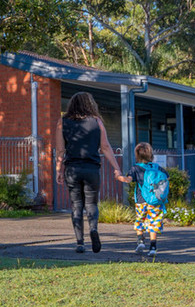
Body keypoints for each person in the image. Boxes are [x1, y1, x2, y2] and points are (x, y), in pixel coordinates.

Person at [54, 92, 125, 253]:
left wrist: (59, 170)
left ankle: (80, 242)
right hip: (92, 169)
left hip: (72, 169)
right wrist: (116, 168)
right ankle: (93, 229)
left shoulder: (62, 122)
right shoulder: (96, 121)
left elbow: (60, 150)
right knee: (92, 203)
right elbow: (105, 147)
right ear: (90, 104)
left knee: (76, 205)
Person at [118, 142, 168, 257]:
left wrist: (119, 177)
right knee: (154, 222)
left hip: (141, 200)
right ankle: (153, 247)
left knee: (140, 220)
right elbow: (167, 177)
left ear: (137, 155)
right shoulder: (157, 167)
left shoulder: (135, 168)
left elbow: (128, 180)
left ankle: (140, 241)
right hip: (156, 200)